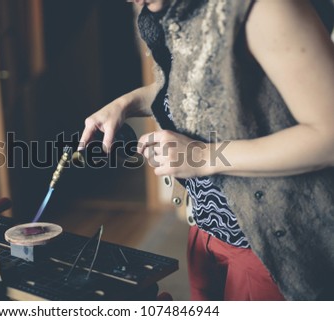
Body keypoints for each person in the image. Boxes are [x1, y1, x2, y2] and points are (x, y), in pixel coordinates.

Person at [80, 0, 334, 300]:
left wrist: (203, 157)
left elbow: (328, 137)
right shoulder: (176, 11)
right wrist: (126, 103)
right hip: (206, 228)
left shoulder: (266, 8)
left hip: (268, 246)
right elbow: (202, 87)